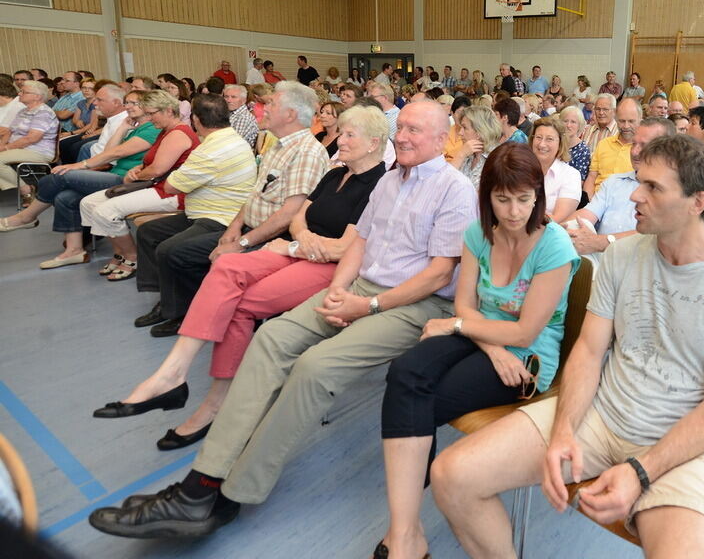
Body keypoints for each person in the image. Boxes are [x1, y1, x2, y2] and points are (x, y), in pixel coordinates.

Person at [88, 100, 477, 539]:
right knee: (271, 337)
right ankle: (202, 483)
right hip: (361, 287)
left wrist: (365, 306)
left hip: (413, 304)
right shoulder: (389, 181)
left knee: (316, 367)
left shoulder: (453, 190)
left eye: (416, 131)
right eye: (401, 127)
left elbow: (440, 273)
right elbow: (360, 245)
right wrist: (338, 290)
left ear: (443, 139)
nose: (403, 136)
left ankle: (231, 491)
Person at [432, 134, 704, 559]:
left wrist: (640, 471)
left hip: (679, 448)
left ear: (697, 202)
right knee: (452, 475)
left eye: (653, 187)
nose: (635, 194)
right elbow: (590, 353)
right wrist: (563, 431)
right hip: (599, 414)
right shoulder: (623, 255)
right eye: (639, 181)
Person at [93, 103, 386, 449]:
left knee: (241, 302)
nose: (341, 138)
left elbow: (343, 249)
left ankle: (215, 404)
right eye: (343, 132)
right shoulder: (336, 173)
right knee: (227, 266)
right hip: (296, 250)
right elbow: (298, 219)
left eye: (350, 134)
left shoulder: (379, 184)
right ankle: (172, 373)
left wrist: (293, 247)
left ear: (374, 143)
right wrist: (301, 238)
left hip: (328, 268)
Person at [375, 141, 578, 559]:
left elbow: (522, 333)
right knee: (404, 372)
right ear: (487, 197)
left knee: (415, 398)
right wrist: (488, 345)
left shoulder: (555, 246)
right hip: (482, 340)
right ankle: (406, 532)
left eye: (524, 199)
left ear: (539, 195)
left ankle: (404, 537)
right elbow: (465, 304)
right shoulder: (477, 233)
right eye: (502, 200)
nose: (514, 211)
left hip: (527, 360)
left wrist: (461, 328)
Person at [131, 81, 329, 338]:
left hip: (273, 239)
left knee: (176, 252)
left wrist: (243, 242)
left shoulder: (306, 152)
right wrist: (235, 228)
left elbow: (288, 215)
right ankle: (182, 308)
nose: (262, 109)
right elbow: (255, 196)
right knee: (166, 243)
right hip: (250, 228)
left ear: (290, 115)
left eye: (271, 104)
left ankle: (189, 313)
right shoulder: (278, 146)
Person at [0, 87, 158, 257]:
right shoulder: (133, 127)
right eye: (127, 103)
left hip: (126, 181)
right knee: (65, 197)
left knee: (59, 175)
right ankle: (74, 250)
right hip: (114, 173)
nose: (127, 107)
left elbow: (115, 154)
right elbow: (108, 152)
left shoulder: (151, 129)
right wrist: (122, 128)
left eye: (133, 103)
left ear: (148, 107)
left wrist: (79, 166)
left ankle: (27, 217)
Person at [78, 90, 200, 280]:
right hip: (156, 185)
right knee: (88, 203)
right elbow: (151, 162)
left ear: (168, 110)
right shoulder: (166, 131)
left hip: (171, 192)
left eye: (152, 113)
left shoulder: (179, 133)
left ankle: (132, 257)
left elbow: (157, 169)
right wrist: (137, 168)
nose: (149, 118)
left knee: (105, 211)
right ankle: (120, 253)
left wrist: (136, 175)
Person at [565, 117, 675, 264]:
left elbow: (654, 235)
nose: (635, 152)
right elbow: (586, 215)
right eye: (634, 144)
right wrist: (558, 230)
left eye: (644, 146)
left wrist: (601, 242)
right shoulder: (614, 182)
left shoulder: (674, 191)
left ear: (667, 151)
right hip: (601, 265)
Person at [0, 80, 59, 196]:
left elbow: (32, 138)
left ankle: (26, 190)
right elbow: (9, 131)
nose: (19, 94)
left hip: (37, 151)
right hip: (20, 148)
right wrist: (2, 144)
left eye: (23, 92)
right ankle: (25, 188)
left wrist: (6, 148)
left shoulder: (43, 112)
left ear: (37, 97)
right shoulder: (23, 111)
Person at [586, 97, 641, 197]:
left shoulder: (644, 150)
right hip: (597, 201)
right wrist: (588, 202)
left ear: (640, 120)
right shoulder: (603, 144)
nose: (626, 126)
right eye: (622, 121)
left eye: (631, 121)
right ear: (616, 119)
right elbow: (592, 177)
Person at [531, 117, 582, 222]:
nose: (542, 144)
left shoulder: (571, 176)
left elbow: (557, 219)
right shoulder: (521, 169)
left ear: (560, 144)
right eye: (538, 137)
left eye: (549, 139)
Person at [453, 105, 502, 188]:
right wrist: (460, 155)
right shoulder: (469, 154)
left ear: (480, 131)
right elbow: (444, 182)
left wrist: (461, 155)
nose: (460, 133)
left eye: (465, 128)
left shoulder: (497, 158)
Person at [560, 105, 591, 185]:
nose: (568, 125)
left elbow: (578, 182)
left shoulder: (583, 150)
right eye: (565, 121)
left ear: (579, 125)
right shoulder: (555, 142)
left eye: (573, 122)